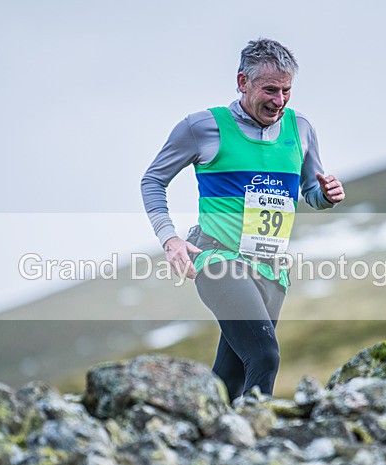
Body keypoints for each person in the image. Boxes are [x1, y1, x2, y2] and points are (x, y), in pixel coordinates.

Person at [141, 37, 345, 402]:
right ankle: (257, 446)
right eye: (269, 89)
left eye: (286, 91)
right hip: (220, 262)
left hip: (270, 269)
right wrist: (170, 239)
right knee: (265, 357)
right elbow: (153, 180)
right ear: (242, 83)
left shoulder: (301, 129)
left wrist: (326, 196)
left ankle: (204, 437)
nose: (279, 101)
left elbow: (310, 191)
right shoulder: (202, 127)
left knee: (231, 377)